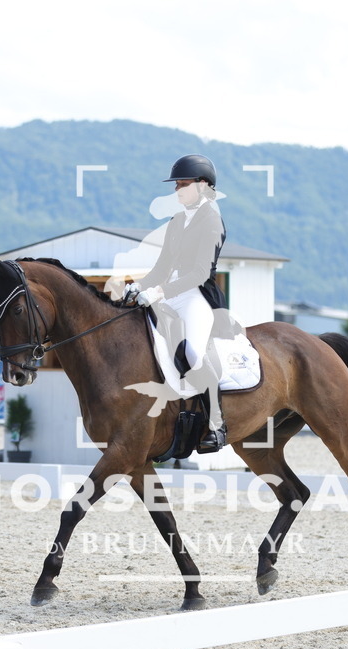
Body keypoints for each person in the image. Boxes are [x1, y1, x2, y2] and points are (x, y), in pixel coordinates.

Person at [123, 154, 231, 452]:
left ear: (204, 186)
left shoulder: (212, 220)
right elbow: (161, 268)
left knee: (192, 352)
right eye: (177, 185)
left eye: (183, 184)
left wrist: (158, 293)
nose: (178, 190)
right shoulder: (176, 222)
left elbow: (199, 273)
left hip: (197, 296)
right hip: (171, 292)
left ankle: (217, 425)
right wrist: (138, 286)